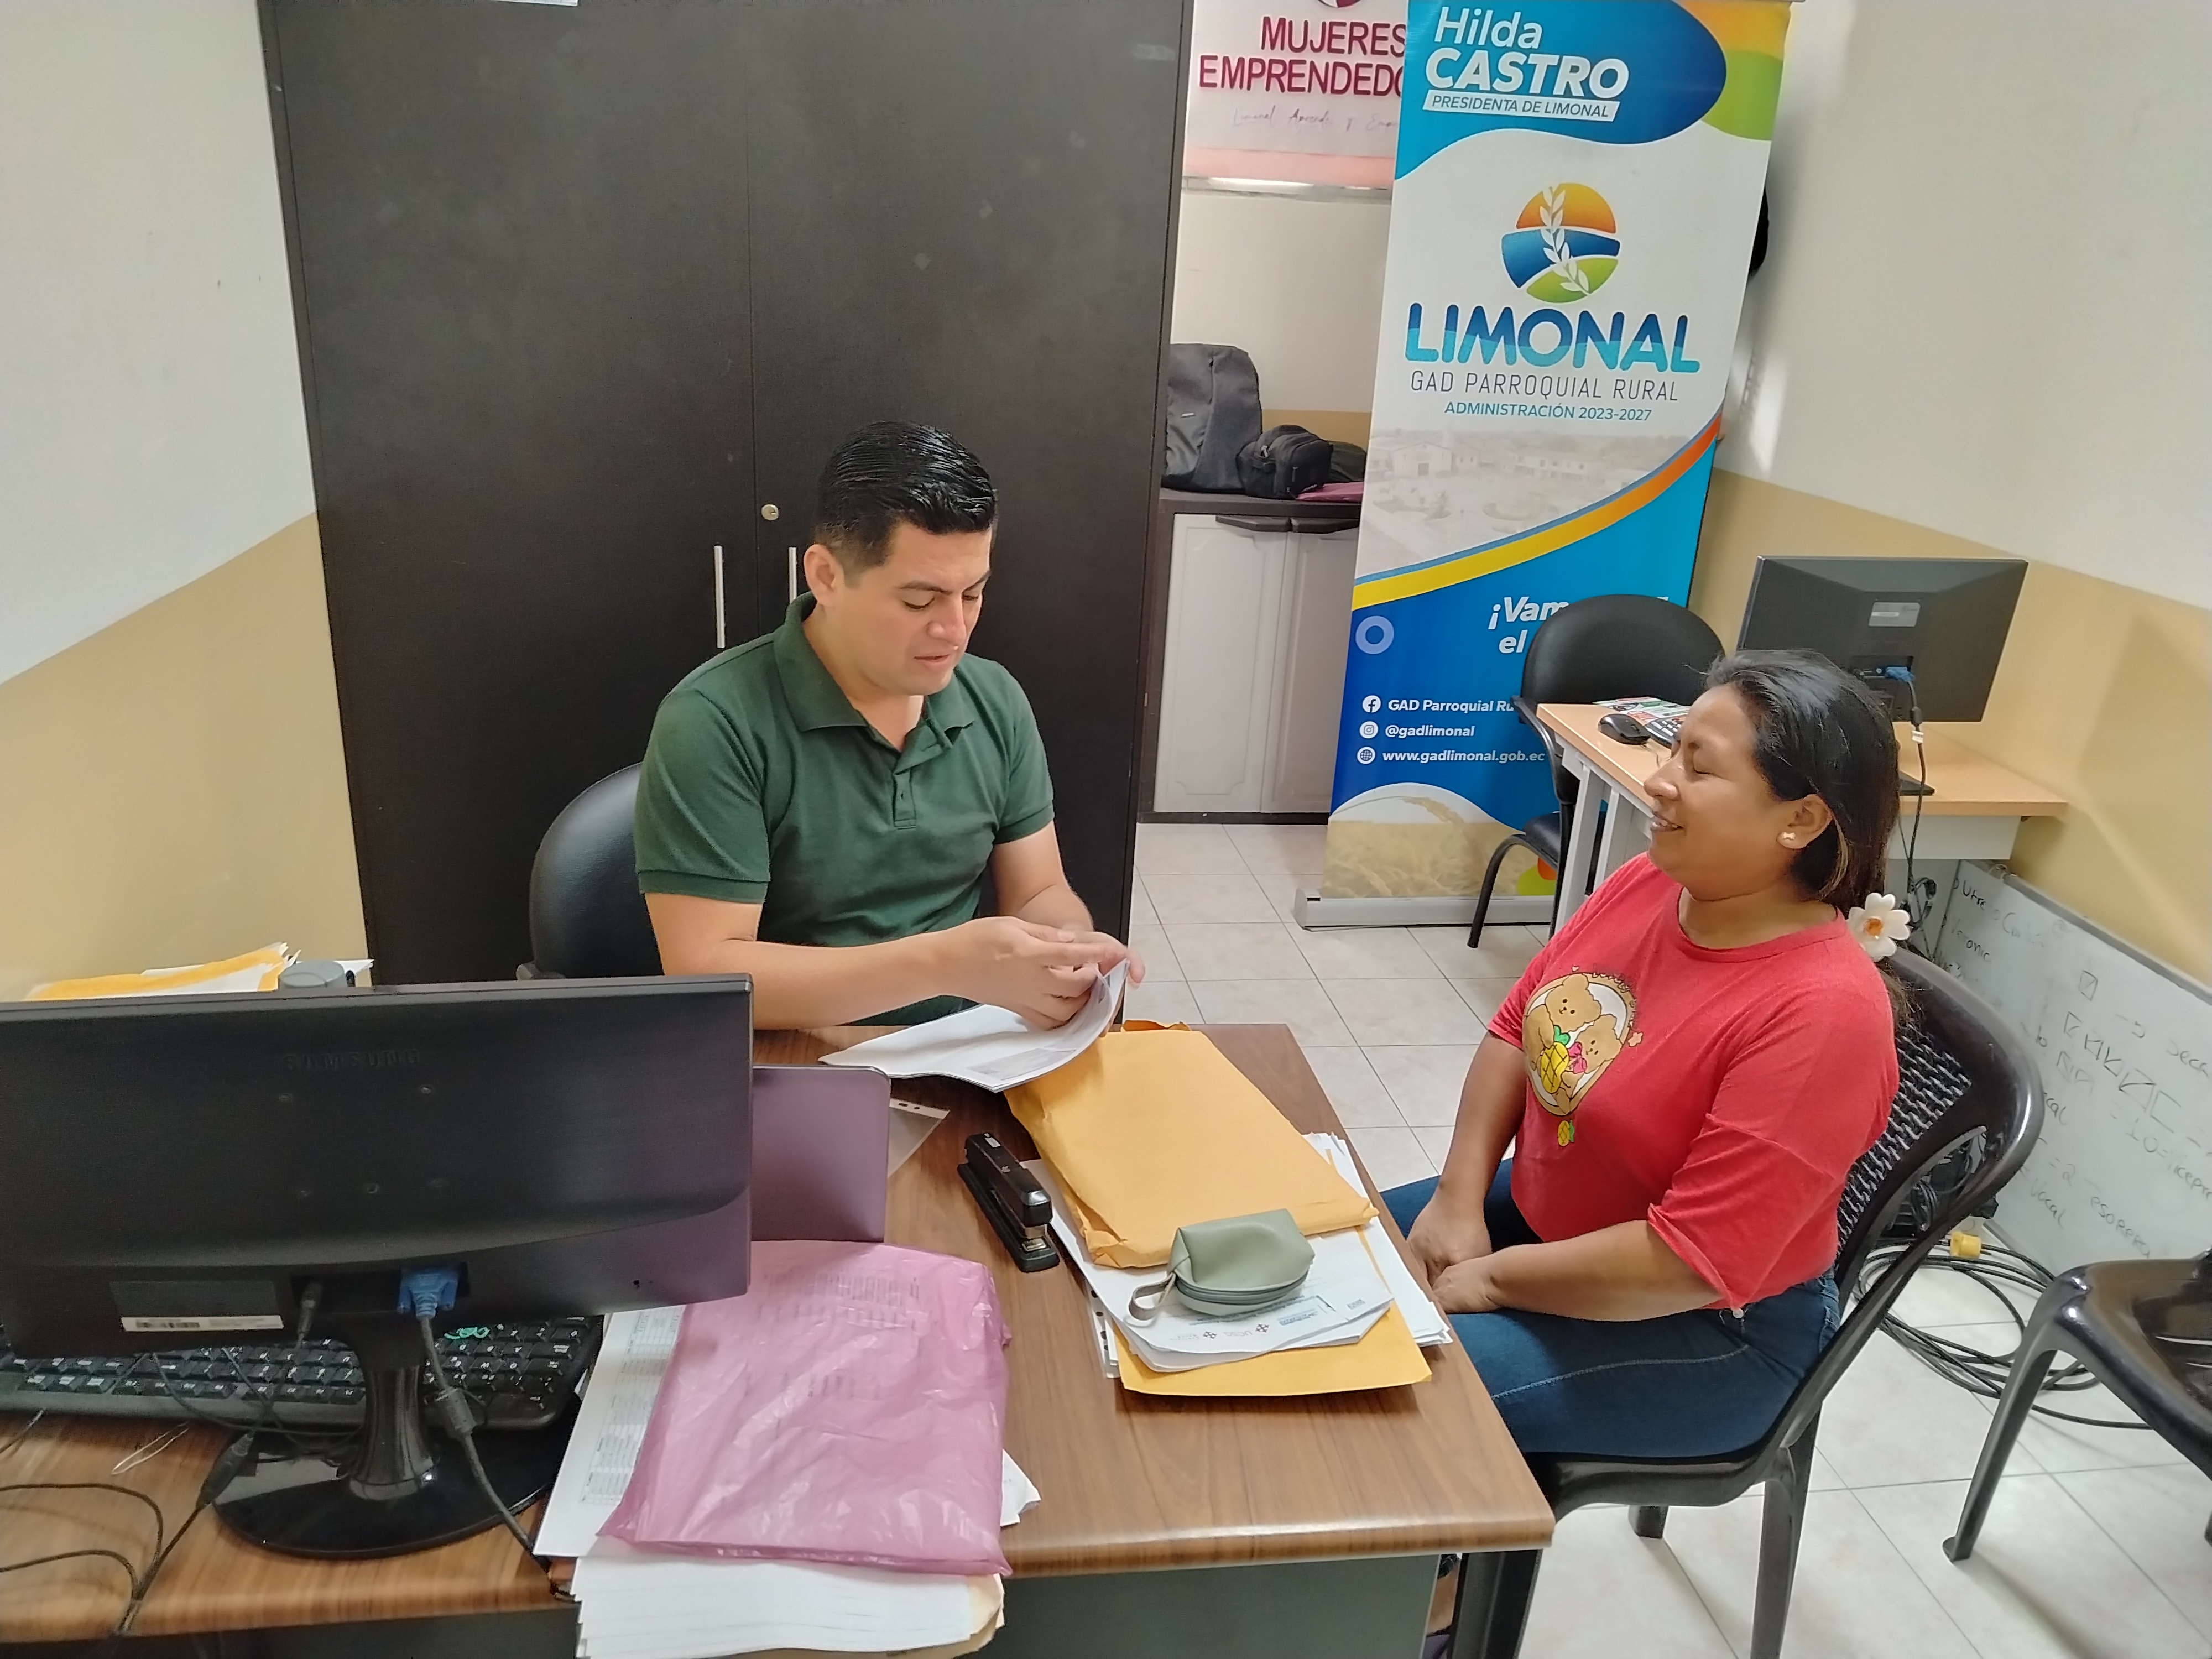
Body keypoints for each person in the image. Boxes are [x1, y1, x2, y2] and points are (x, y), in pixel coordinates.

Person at [1390, 650, 1906, 1458]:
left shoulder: (1823, 1015)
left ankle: (1450, 1540)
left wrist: (1489, 1280)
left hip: (1705, 1326)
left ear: (1801, 820)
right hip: (1552, 1221)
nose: (1660, 782)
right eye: (1672, 751)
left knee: (1378, 1387)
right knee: (1331, 1255)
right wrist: (1459, 1201)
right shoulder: (1650, 882)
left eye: (1699, 767)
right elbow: (1516, 1026)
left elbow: (1686, 1263)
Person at [633, 421, 1136, 1029]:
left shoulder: (994, 698)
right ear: (826, 577)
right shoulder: (714, 720)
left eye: (972, 594)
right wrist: (943, 965)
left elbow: (1037, 892)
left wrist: (1066, 949)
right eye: (918, 601)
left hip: (972, 1047)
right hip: (797, 1051)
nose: (953, 630)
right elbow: (707, 973)